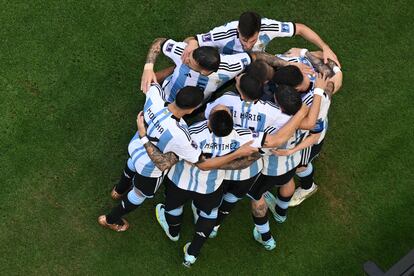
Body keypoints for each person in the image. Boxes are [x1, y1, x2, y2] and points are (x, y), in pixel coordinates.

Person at [97, 84, 256, 232]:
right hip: (149, 168)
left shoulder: (155, 96)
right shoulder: (183, 136)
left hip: (134, 147)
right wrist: (237, 154)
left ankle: (118, 190)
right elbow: (175, 164)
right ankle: (111, 219)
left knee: (131, 163)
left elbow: (150, 81)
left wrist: (150, 62)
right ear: (191, 110)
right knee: (139, 193)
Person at [140, 38, 312, 102]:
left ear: (206, 71)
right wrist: (148, 68)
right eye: (189, 56)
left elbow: (257, 56)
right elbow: (159, 42)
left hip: (191, 106)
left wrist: (285, 64)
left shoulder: (229, 66)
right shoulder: (185, 54)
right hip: (163, 94)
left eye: (189, 61)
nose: (185, 59)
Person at [181, 11, 340, 67]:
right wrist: (192, 45)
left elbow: (301, 29)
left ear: (260, 30)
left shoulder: (268, 27)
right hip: (227, 63)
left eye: (253, 40)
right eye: (244, 40)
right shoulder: (224, 33)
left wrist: (325, 47)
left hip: (257, 62)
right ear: (237, 30)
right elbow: (193, 39)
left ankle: (315, 54)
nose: (248, 45)